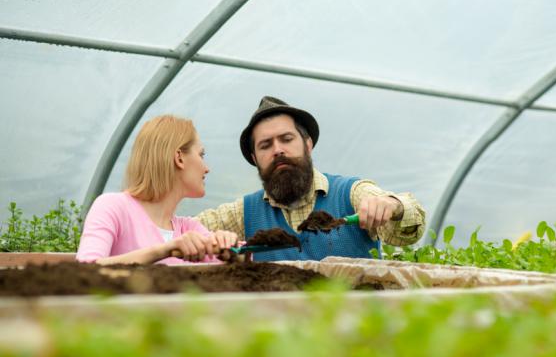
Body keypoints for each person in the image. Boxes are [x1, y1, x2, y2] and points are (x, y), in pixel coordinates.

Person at [196, 96, 426, 261]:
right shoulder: (245, 213)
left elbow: (408, 225)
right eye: (266, 145)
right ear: (255, 159)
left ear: (307, 145)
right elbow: (181, 232)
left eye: (286, 139)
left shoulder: (350, 193)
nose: (278, 150)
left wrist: (392, 205)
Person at [76, 115, 238, 265]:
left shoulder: (188, 228)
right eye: (201, 155)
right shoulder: (112, 206)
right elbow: (86, 268)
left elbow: (240, 263)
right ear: (179, 158)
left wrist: (230, 246)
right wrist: (164, 250)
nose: (207, 168)